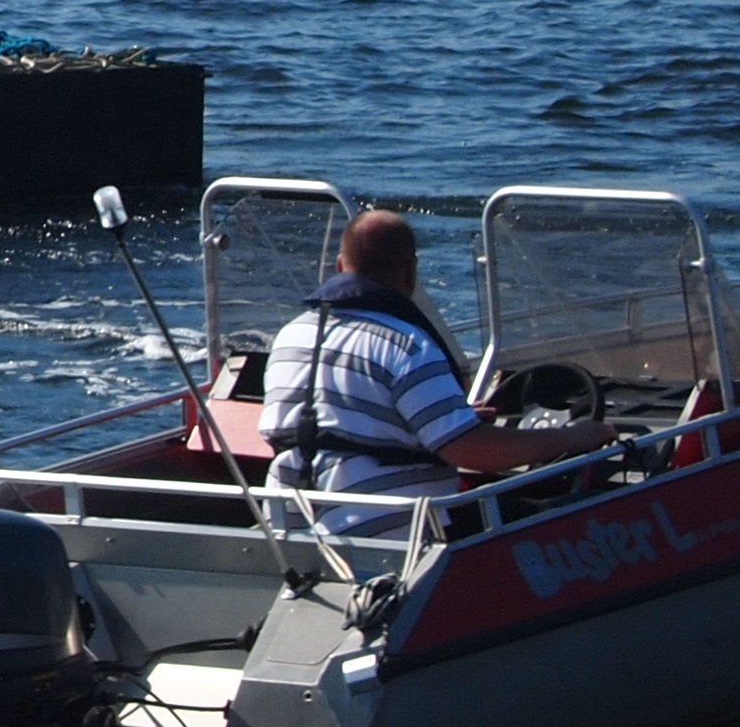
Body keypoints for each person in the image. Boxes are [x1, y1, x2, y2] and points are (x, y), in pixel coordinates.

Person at [261, 210, 609, 534]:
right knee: (571, 513)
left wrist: (447, 420)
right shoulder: (405, 345)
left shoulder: (291, 337)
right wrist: (574, 437)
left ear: (340, 266)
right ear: (410, 272)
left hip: (290, 526)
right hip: (394, 534)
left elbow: (339, 423)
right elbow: (472, 452)